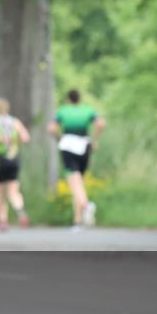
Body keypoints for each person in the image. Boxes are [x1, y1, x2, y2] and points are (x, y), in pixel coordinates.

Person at [49, 89, 106, 231]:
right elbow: (100, 124)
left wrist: (59, 137)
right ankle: (77, 221)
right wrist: (95, 139)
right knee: (79, 182)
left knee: (74, 182)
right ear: (79, 99)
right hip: (85, 146)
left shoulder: (63, 111)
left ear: (68, 99)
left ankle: (86, 205)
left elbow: (51, 128)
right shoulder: (88, 110)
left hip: (68, 145)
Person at [0, 97, 31, 230]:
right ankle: (20, 210)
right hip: (14, 158)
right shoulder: (15, 122)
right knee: (13, 191)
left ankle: (2, 220)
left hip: (0, 158)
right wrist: (15, 141)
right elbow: (26, 138)